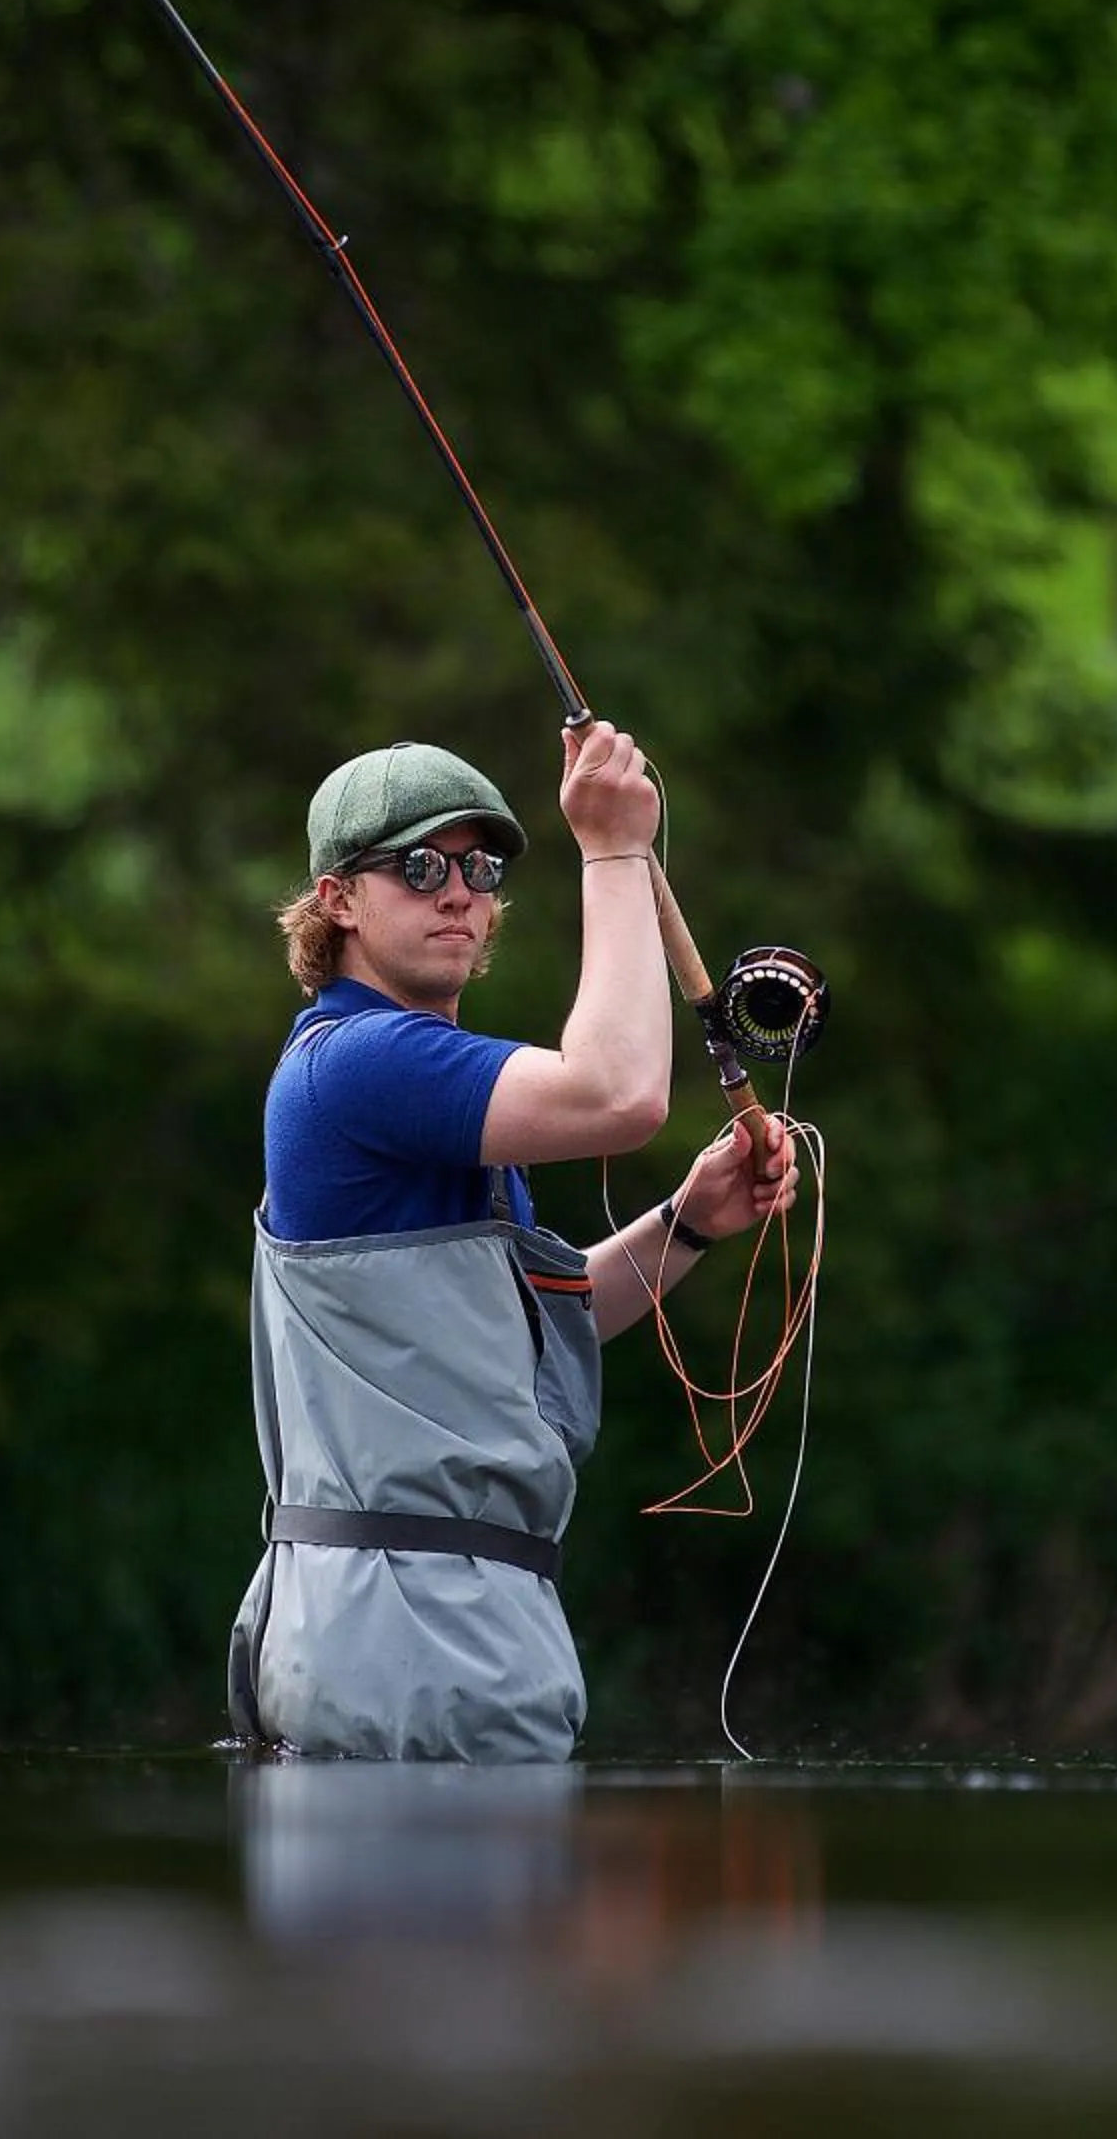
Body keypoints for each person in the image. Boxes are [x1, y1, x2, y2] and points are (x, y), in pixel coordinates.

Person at [226, 721, 797, 1761]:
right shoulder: (359, 1064)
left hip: (453, 1622)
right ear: (337, 899)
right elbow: (620, 1094)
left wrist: (688, 1223)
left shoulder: (421, 1088)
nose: (459, 891)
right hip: (406, 1634)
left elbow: (543, 1318)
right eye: (418, 866)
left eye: (479, 867)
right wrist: (616, 849)